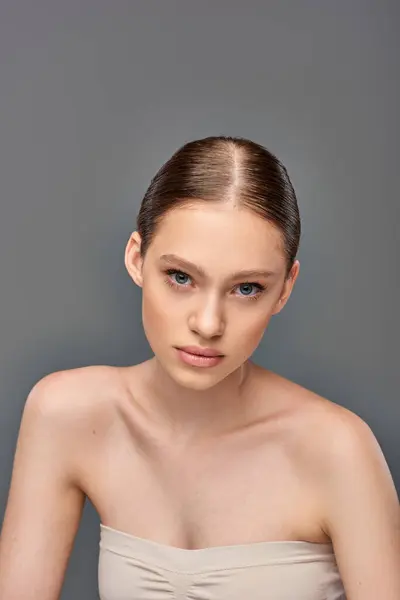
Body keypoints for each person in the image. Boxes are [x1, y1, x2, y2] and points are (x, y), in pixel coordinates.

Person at [0, 136, 398, 600]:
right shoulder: (67, 414)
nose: (208, 324)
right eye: (181, 277)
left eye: (246, 288)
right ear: (136, 259)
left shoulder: (337, 449)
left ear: (285, 288)